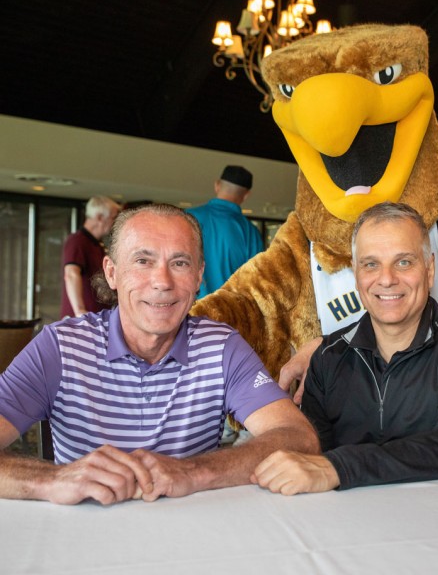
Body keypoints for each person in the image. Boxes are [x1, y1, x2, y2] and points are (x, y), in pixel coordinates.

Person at [0, 203, 318, 505]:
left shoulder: (221, 346)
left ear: (198, 277)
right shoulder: (60, 346)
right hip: (85, 535)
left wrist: (194, 471)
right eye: (143, 261)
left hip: (191, 533)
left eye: (179, 263)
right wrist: (53, 480)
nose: (162, 282)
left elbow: (297, 437)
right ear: (111, 272)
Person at [252, 202, 438, 495]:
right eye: (371, 264)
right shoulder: (327, 357)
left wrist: (339, 467)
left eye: (403, 262)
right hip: (352, 529)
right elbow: (310, 455)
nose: (386, 279)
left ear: (429, 269)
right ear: (356, 276)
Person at [187, 165, 264, 298]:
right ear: (246, 195)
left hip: (188, 312)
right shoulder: (251, 233)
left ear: (217, 185)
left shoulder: (187, 218)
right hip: (229, 313)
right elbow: (254, 283)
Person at [60, 195, 121, 318]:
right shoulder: (77, 241)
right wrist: (79, 310)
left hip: (98, 316)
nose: (114, 223)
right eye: (113, 218)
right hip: (82, 320)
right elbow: (71, 274)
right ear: (99, 217)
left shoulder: (97, 244)